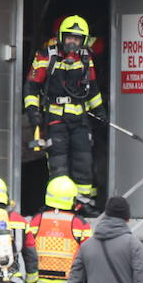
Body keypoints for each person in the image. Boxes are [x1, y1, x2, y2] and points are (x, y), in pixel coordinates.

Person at [23, 14, 105, 209]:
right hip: (55, 118)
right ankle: (57, 204)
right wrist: (33, 113)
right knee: (58, 163)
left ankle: (83, 203)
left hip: (80, 120)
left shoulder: (85, 59)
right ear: (61, 37)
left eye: (77, 39)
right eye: (69, 37)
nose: (72, 42)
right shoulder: (46, 56)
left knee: (83, 161)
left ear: (83, 40)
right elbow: (31, 88)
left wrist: (100, 111)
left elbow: (92, 89)